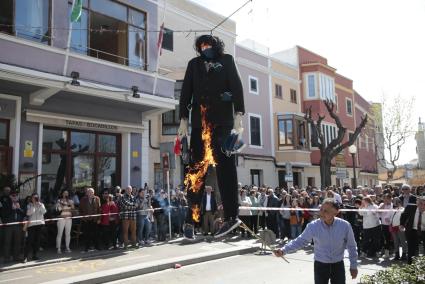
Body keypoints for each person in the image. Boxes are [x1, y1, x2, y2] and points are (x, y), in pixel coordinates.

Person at [178, 34, 244, 239]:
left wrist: (238, 115)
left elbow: (237, 86)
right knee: (196, 172)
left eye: (208, 44)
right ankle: (190, 220)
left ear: (216, 45)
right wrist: (183, 120)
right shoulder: (194, 65)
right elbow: (185, 92)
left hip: (222, 124)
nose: (205, 48)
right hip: (199, 125)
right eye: (201, 46)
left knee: (226, 170)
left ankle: (232, 217)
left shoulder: (227, 60)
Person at [274, 198, 358, 284]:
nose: (321, 213)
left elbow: (351, 246)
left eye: (326, 211)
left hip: (338, 266)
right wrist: (283, 250)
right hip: (320, 266)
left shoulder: (344, 226)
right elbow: (301, 241)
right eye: (321, 209)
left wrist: (353, 266)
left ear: (336, 212)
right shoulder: (313, 226)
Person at [1, 190, 25, 263]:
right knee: (7, 242)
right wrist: (12, 208)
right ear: (10, 196)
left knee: (17, 242)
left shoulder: (19, 202)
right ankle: (6, 258)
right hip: (9, 225)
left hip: (17, 225)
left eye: (16, 195)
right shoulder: (6, 203)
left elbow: (24, 213)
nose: (15, 197)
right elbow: (3, 214)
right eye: (13, 195)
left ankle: (16, 257)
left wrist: (18, 208)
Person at [400, 195, 425, 264]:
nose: (422, 206)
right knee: (411, 249)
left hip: (423, 230)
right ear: (417, 203)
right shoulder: (410, 207)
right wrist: (402, 224)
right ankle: (410, 266)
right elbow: (403, 215)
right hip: (412, 230)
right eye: (420, 203)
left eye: (424, 204)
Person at [24, 193, 46, 262]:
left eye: (36, 197)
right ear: (31, 198)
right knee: (29, 241)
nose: (35, 199)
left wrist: (39, 205)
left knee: (37, 241)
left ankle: (34, 255)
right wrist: (33, 205)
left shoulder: (41, 204)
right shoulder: (29, 205)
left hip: (39, 224)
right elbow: (28, 213)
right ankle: (25, 257)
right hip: (31, 225)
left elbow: (44, 212)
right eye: (34, 197)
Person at [79, 188, 101, 252]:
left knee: (96, 234)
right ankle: (87, 247)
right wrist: (82, 217)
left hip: (95, 219)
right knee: (87, 234)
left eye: (91, 192)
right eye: (89, 192)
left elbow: (99, 209)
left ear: (93, 193)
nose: (90, 193)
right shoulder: (83, 199)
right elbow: (80, 209)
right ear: (87, 193)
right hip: (86, 220)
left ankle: (97, 246)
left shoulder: (97, 198)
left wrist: (99, 218)